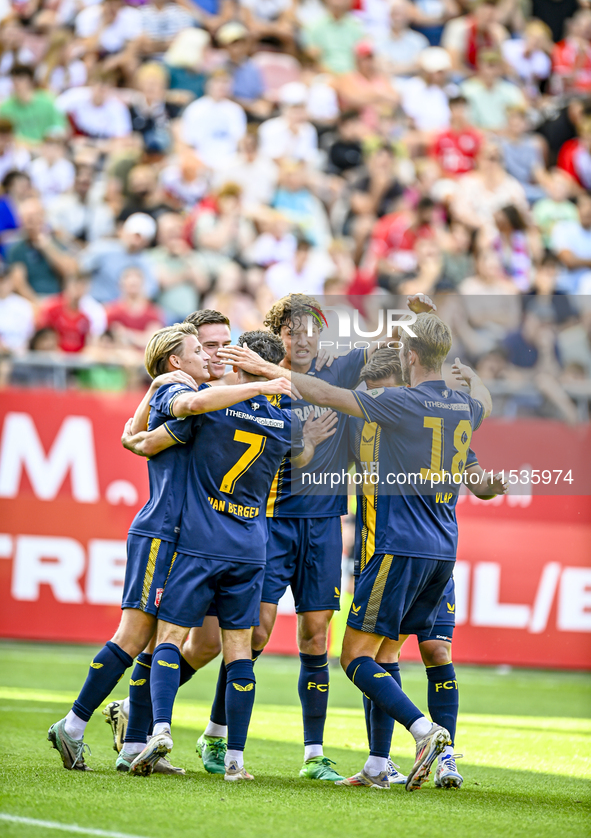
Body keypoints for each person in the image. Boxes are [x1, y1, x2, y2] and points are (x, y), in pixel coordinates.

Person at [237, 308, 497, 791]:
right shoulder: (459, 406)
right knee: (388, 654)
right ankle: (380, 764)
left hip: (398, 550)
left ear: (408, 363)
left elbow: (329, 393)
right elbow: (481, 403)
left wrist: (276, 372)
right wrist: (474, 377)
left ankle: (427, 735)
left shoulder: (400, 406)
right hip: (439, 550)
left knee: (357, 657)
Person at [47, 322, 292, 772]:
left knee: (184, 643)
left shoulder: (213, 405)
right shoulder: (184, 393)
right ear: (178, 359)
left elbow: (135, 436)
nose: (214, 356)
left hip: (194, 537)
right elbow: (136, 440)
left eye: (220, 347)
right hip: (165, 530)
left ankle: (131, 743)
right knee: (139, 636)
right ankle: (78, 724)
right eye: (205, 348)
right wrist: (156, 390)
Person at [119, 330, 303, 780]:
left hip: (201, 543)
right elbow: (304, 451)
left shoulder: (210, 405)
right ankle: (236, 760)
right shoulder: (288, 423)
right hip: (250, 546)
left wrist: (137, 427)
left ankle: (158, 729)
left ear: (239, 358)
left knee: (169, 639)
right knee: (239, 651)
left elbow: (145, 441)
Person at [212, 294, 381, 782]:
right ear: (277, 335)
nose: (302, 338)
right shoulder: (257, 381)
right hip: (271, 523)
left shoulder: (341, 371)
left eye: (311, 329)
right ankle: (217, 734)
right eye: (292, 330)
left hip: (326, 523)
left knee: (315, 636)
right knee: (256, 633)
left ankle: (313, 754)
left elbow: (392, 345)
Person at [345, 346, 506, 789]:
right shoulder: (358, 423)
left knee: (436, 651)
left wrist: (490, 484)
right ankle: (380, 763)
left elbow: (478, 476)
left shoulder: (426, 423)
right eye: (373, 395)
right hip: (383, 552)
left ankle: (445, 755)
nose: (380, 404)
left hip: (428, 554)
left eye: (386, 394)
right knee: (383, 654)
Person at [6, 197, 77, 302]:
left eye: (35, 216)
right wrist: (37, 304)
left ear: (43, 217)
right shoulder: (16, 250)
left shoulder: (57, 241)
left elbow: (71, 272)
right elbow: (19, 284)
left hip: (59, 299)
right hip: (32, 302)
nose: (32, 222)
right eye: (27, 218)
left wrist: (46, 246)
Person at [80, 213, 158, 304]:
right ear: (123, 231)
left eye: (141, 237)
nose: (136, 240)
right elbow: (79, 269)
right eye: (135, 234)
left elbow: (150, 290)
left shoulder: (147, 261)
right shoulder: (103, 247)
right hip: (95, 303)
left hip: (124, 311)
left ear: (148, 242)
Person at [180, 70, 247, 169]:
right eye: (217, 81)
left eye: (225, 82)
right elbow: (188, 142)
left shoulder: (236, 110)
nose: (221, 86)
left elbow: (240, 142)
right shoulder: (195, 109)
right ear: (208, 84)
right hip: (200, 163)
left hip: (230, 163)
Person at [302, 0, 366, 74]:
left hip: (352, 77)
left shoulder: (357, 27)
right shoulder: (314, 26)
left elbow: (363, 58)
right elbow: (312, 60)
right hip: (324, 77)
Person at [0, 66, 67, 145]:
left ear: (30, 81)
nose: (17, 85)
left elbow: (60, 127)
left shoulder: (47, 101)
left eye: (21, 80)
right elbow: (8, 136)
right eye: (14, 81)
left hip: (48, 147)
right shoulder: (5, 108)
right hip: (20, 150)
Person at [550, 190, 591, 294]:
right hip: (566, 287)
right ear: (577, 208)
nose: (588, 210)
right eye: (584, 205)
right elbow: (569, 261)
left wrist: (581, 261)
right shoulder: (563, 228)